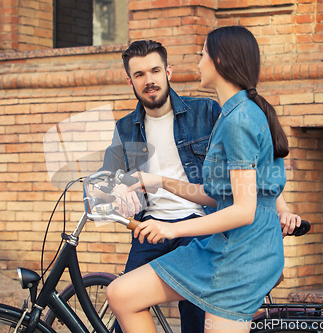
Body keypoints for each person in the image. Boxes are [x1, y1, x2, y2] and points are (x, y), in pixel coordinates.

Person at [106, 26, 299, 333]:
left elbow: (244, 208)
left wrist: (171, 228)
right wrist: (158, 181)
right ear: (130, 81)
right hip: (227, 243)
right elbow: (221, 194)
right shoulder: (233, 115)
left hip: (240, 251)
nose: (198, 63)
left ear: (220, 61)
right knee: (120, 292)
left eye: (203, 54)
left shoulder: (235, 118)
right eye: (140, 74)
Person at [101, 39, 222, 333]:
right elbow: (110, 181)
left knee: (196, 315)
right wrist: (113, 195)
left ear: (168, 72)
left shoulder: (205, 111)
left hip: (198, 226)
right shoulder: (125, 128)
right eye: (139, 74)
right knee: (124, 306)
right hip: (149, 229)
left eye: (155, 71)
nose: (149, 80)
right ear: (130, 80)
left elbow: (241, 170)